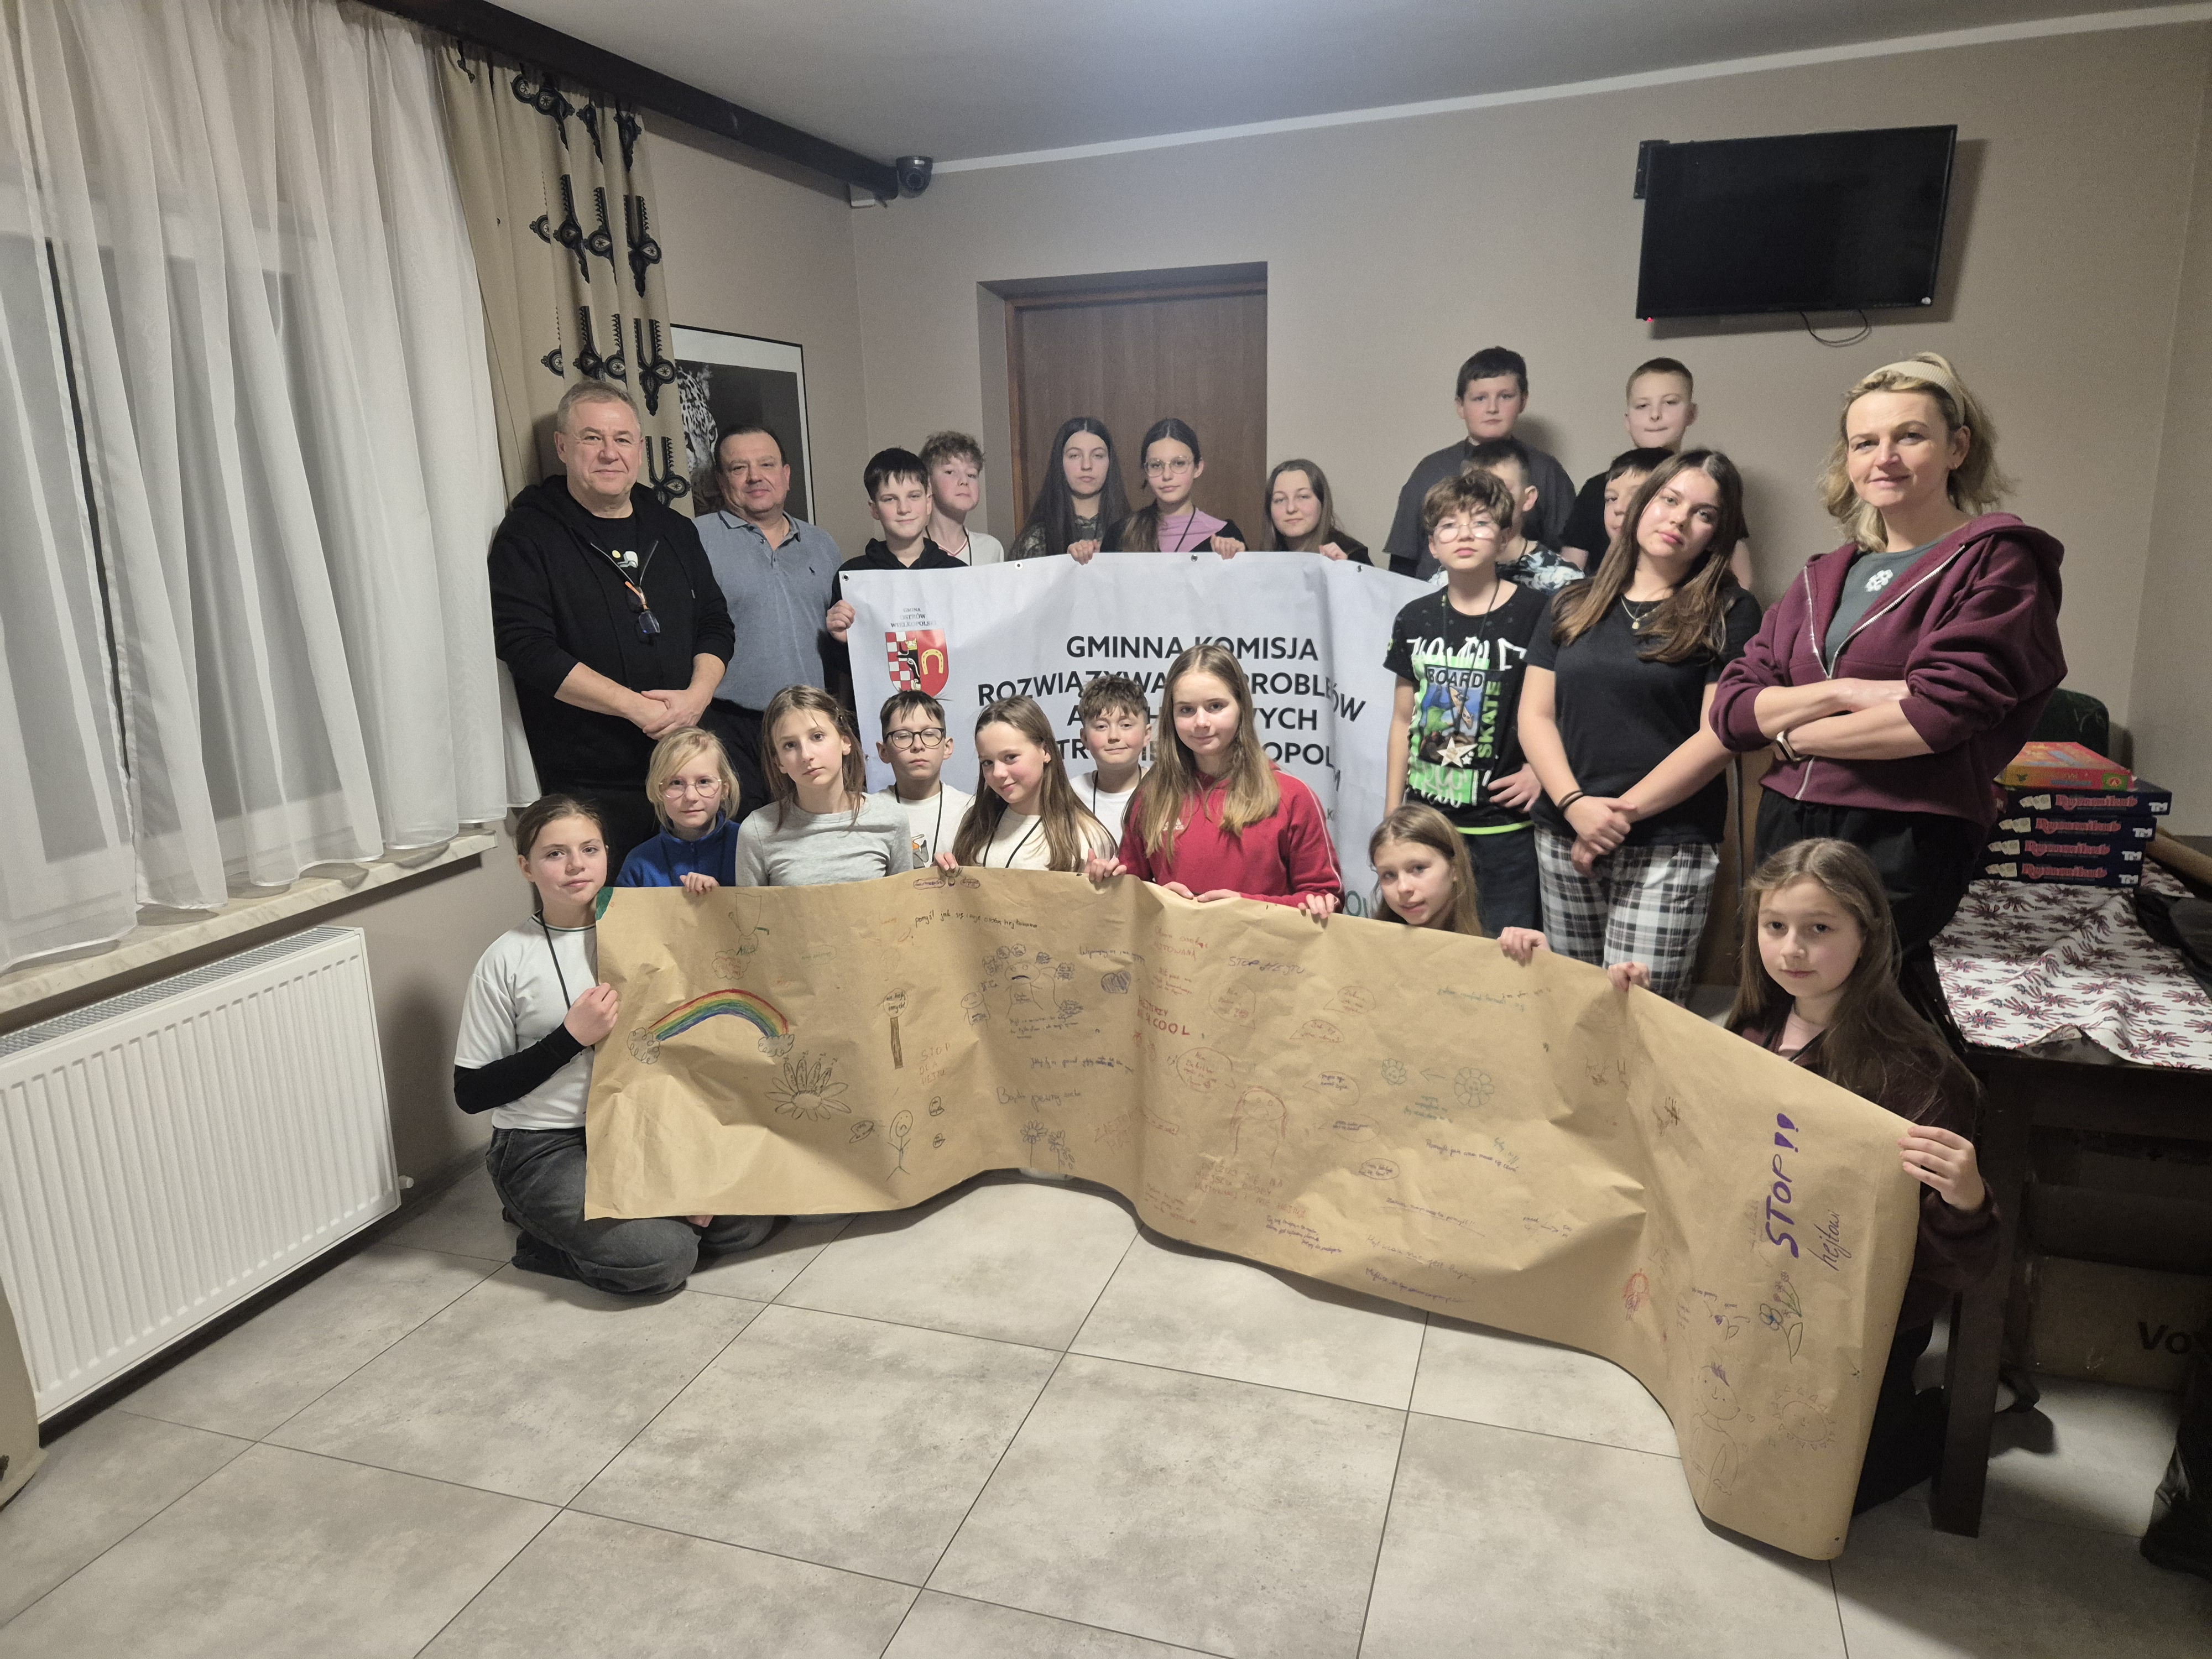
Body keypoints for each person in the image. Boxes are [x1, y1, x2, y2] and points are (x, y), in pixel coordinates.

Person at [1708, 352, 2065, 993]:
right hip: (1787, 822)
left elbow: (1936, 716)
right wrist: (1845, 692)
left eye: (1910, 435)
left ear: (1957, 448)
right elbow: (1733, 712)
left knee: (1867, 1009)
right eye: (1864, 442)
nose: (1885, 458)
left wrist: (1792, 733)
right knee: (1787, 1001)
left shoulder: (1995, 561)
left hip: (1903, 829)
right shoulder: (1822, 576)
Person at [1728, 838, 1997, 1512]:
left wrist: (1966, 1202)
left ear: (1868, 935)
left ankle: (1927, 1423)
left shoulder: (1918, 1077)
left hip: (1859, 1324)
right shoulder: (1755, 1028)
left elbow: (1953, 1268)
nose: (1791, 949)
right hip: (1762, 1289)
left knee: (1833, 1493)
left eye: (1819, 929)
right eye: (1774, 926)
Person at [454, 795, 775, 1296]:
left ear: (608, 854)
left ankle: (626, 1219)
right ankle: (542, 1237)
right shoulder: (507, 959)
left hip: (640, 1121)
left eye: (589, 849)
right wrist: (568, 1039)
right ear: (526, 867)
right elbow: (471, 1092)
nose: (576, 865)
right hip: (548, 1143)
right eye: (555, 854)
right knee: (663, 1259)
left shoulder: (646, 929)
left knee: (745, 1226)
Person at [1516, 451, 1761, 1003]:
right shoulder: (1571, 601)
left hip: (1667, 844)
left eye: (1703, 513)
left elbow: (1717, 737)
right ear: (1643, 504)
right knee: (1574, 1008)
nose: (1679, 519)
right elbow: (1535, 716)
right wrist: (1576, 806)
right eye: (1669, 500)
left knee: (1640, 1015)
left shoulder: (1730, 610)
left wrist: (1617, 817)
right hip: (1563, 832)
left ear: (1717, 533)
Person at [488, 381, 733, 871]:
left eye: (622, 439)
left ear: (640, 449)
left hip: (686, 774)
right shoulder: (528, 534)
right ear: (562, 447)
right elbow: (526, 647)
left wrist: (697, 696)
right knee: (613, 914)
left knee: (706, 906)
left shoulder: (674, 529)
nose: (609, 453)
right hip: (592, 784)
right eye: (591, 438)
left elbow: (715, 621)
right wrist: (634, 707)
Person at [1384, 470, 1548, 934]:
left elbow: (1560, 712)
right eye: (1449, 526)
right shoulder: (1414, 617)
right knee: (1431, 952)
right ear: (1432, 546)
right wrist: (1394, 813)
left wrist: (1540, 772)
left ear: (1504, 537)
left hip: (1504, 828)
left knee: (1502, 955)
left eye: (1480, 522)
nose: (1465, 534)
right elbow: (1402, 721)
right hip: (1429, 826)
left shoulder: (1537, 613)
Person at [1087, 643, 1341, 916]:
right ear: (1171, 716)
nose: (1201, 722)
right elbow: (1130, 894)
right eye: (1186, 710)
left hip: (1262, 945)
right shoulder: (1153, 795)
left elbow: (1326, 901)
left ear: (1241, 707)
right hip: (1175, 944)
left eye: (1216, 707)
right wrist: (1113, 884)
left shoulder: (1292, 796)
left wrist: (1245, 908)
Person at [695, 422, 844, 820]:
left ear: (786, 475)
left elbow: (838, 637)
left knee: (813, 832)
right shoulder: (695, 539)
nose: (755, 477)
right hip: (730, 726)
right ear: (721, 481)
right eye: (739, 468)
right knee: (745, 835)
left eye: (766, 464)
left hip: (810, 725)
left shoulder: (822, 544)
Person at [1384, 347, 1576, 576]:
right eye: (1480, 398)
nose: (1492, 408)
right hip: (1436, 593)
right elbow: (1402, 563)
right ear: (1461, 406)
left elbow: (1569, 554)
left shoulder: (1546, 471)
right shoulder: (1430, 471)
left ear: (1523, 401)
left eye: (1505, 397)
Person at [1561, 362, 1754, 584]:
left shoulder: (1709, 486)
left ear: (1691, 414)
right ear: (1628, 420)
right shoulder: (1598, 488)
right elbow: (1568, 573)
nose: (1655, 415)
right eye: (1642, 406)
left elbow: (1741, 577)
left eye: (1670, 403)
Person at [734, 686, 916, 886]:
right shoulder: (758, 830)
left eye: (817, 737)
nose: (806, 755)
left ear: (845, 742)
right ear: (779, 762)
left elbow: (905, 901)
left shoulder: (891, 819)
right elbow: (749, 906)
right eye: (790, 745)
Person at [825, 447, 968, 697]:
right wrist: (840, 640)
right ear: (874, 509)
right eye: (890, 499)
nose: (904, 508)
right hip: (880, 710)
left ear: (929, 502)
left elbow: (972, 654)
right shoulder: (853, 578)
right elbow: (846, 675)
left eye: (914, 496)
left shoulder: (957, 575)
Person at [940, 696, 1117, 871]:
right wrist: (942, 878)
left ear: (1046, 751)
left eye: (1011, 757)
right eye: (987, 762)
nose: (998, 773)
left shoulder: (1086, 836)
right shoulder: (975, 822)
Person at [1454, 437, 1587, 595]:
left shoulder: (1563, 580)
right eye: (1476, 489)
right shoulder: (1450, 574)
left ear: (1529, 499)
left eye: (1502, 489)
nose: (1486, 500)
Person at [617, 727, 742, 890]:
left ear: (725, 789)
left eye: (704, 782)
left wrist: (719, 899)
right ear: (659, 791)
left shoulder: (748, 845)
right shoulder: (639, 863)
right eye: (676, 783)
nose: (691, 796)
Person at [1108, 419, 1245, 555]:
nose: (1167, 475)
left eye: (1179, 463)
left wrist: (1241, 558)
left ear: (1198, 468)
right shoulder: (1120, 534)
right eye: (1156, 465)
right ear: (1145, 471)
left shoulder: (1225, 536)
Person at [874, 690, 972, 865]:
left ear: (947, 747)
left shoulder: (971, 810)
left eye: (929, 734)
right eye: (903, 736)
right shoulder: (869, 814)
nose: (918, 745)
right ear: (883, 751)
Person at [1010, 416, 1128, 561]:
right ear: (1060, 462)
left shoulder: (1133, 531)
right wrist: (1066, 565)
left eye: (1098, 456)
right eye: (1075, 456)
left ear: (1110, 462)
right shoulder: (1036, 539)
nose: (1086, 465)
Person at [1370, 804, 1481, 933]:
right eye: (1389, 875)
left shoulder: (1488, 943)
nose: (1403, 888)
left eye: (1419, 868)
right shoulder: (1365, 941)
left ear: (1454, 868)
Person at [1071, 672, 1152, 843]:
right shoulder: (1069, 795)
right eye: (1101, 726)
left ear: (1146, 735)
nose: (1114, 736)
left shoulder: (1168, 789)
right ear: (1084, 738)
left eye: (1126, 725)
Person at [920, 430, 1005, 565]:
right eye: (950, 472)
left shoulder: (991, 548)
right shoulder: (911, 551)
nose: (964, 481)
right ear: (928, 483)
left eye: (971, 475)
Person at [1262, 459, 1368, 562]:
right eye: (1280, 500)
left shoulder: (1353, 555)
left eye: (1303, 497)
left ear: (1322, 503)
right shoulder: (1267, 556)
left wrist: (1345, 569)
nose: (1291, 508)